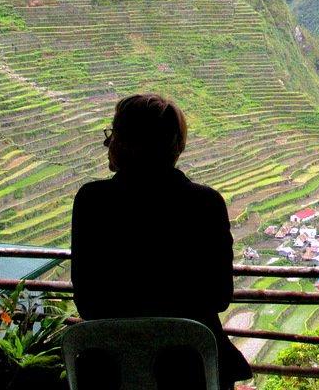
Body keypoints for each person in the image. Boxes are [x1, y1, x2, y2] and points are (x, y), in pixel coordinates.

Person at [71, 94, 252, 389]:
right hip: (191, 368)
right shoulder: (206, 203)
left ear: (127, 142)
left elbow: (88, 300)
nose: (108, 143)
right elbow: (219, 296)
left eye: (114, 134)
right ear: (175, 146)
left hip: (111, 367)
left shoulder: (92, 201)